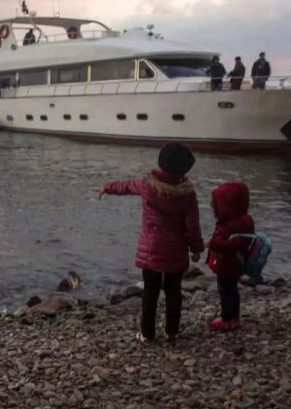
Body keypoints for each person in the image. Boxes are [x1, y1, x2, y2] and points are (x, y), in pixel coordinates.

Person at [95, 143, 204, 344]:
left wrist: (107, 187)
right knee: (174, 293)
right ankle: (172, 332)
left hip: (152, 251)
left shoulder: (148, 184)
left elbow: (126, 186)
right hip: (176, 252)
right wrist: (196, 249)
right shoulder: (188, 194)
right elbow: (193, 225)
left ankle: (147, 335)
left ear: (161, 163)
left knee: (150, 293)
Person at [205, 182, 255, 331]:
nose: (214, 208)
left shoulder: (231, 224)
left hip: (227, 264)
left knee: (225, 291)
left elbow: (231, 246)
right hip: (237, 264)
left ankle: (226, 318)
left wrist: (212, 244)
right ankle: (235, 317)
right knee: (232, 290)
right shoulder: (245, 220)